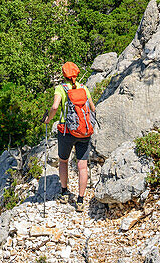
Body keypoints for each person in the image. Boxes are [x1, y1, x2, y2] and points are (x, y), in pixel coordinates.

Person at [43, 61, 96, 212]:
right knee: (82, 166)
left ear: (64, 75)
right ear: (77, 73)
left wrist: (48, 119)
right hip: (83, 131)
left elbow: (54, 107)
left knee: (63, 161)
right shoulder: (84, 88)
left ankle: (65, 192)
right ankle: (80, 200)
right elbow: (92, 108)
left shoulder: (60, 88)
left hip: (66, 131)